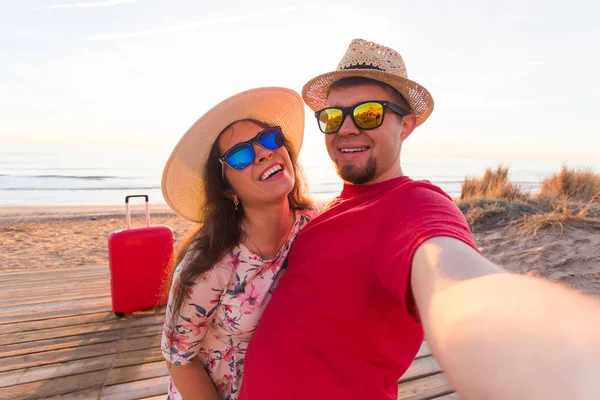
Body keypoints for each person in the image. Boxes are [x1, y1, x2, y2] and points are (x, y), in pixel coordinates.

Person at [238, 39, 600, 399]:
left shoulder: (411, 206)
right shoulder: (328, 211)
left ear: (406, 125)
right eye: (333, 117)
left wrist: (561, 361)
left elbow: (458, 285)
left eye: (368, 114)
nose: (345, 128)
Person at [160, 87, 317, 400]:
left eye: (270, 138)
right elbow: (179, 360)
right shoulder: (209, 263)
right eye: (241, 155)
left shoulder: (312, 225)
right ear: (227, 191)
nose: (262, 152)